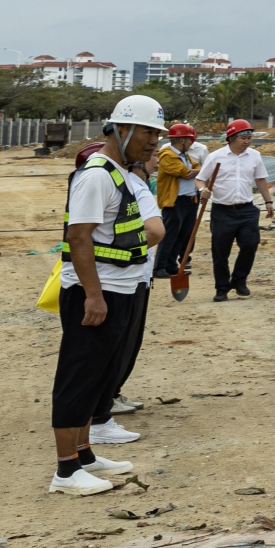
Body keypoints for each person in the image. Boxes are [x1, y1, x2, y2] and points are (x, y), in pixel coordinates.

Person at [49, 94, 167, 495]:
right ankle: (65, 472)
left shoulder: (119, 172)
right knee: (78, 376)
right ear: (122, 128)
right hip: (96, 290)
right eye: (148, 132)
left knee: (98, 375)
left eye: (157, 133)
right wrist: (93, 295)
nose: (154, 141)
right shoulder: (97, 173)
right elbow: (78, 236)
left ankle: (84, 454)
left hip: (119, 287)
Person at [197, 119, 272, 301]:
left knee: (250, 244)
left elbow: (261, 179)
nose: (247, 141)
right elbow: (200, 179)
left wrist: (268, 201)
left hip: (247, 209)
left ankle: (239, 280)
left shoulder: (255, 156)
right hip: (222, 211)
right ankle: (222, 288)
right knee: (220, 251)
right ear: (231, 138)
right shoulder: (216, 157)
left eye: (249, 138)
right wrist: (203, 190)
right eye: (243, 138)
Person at [150, 121, 206, 280]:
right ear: (182, 140)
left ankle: (171, 265)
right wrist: (196, 171)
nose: (191, 143)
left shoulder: (183, 155)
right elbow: (185, 172)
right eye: (190, 140)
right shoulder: (167, 155)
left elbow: (197, 169)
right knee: (169, 235)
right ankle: (160, 266)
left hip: (190, 200)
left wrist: (195, 170)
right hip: (175, 202)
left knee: (183, 235)